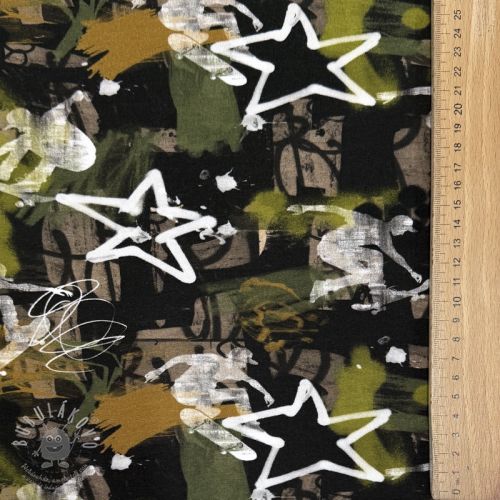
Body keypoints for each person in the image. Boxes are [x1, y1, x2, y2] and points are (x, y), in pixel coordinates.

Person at [288, 204, 425, 312]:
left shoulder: (385, 239)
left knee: (376, 256)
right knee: (366, 273)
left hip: (345, 249)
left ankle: (376, 289)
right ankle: (324, 286)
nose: (402, 234)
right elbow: (337, 210)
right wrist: (305, 208)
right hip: (330, 247)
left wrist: (411, 271)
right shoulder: (367, 221)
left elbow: (395, 255)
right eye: (403, 230)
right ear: (397, 226)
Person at [0, 91, 96, 202]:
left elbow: (64, 107)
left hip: (83, 151)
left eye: (21, 127)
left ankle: (27, 183)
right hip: (79, 160)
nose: (21, 130)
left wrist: (74, 98)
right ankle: (7, 172)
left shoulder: (49, 119)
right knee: (33, 144)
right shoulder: (37, 132)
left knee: (45, 149)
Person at [145, 347, 274, 417]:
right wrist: (158, 371)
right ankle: (203, 409)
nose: (244, 366)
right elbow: (180, 358)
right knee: (211, 368)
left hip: (195, 397)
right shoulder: (213, 358)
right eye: (244, 362)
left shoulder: (235, 372)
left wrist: (266, 393)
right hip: (183, 389)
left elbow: (252, 381)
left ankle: (249, 423)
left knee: (241, 394)